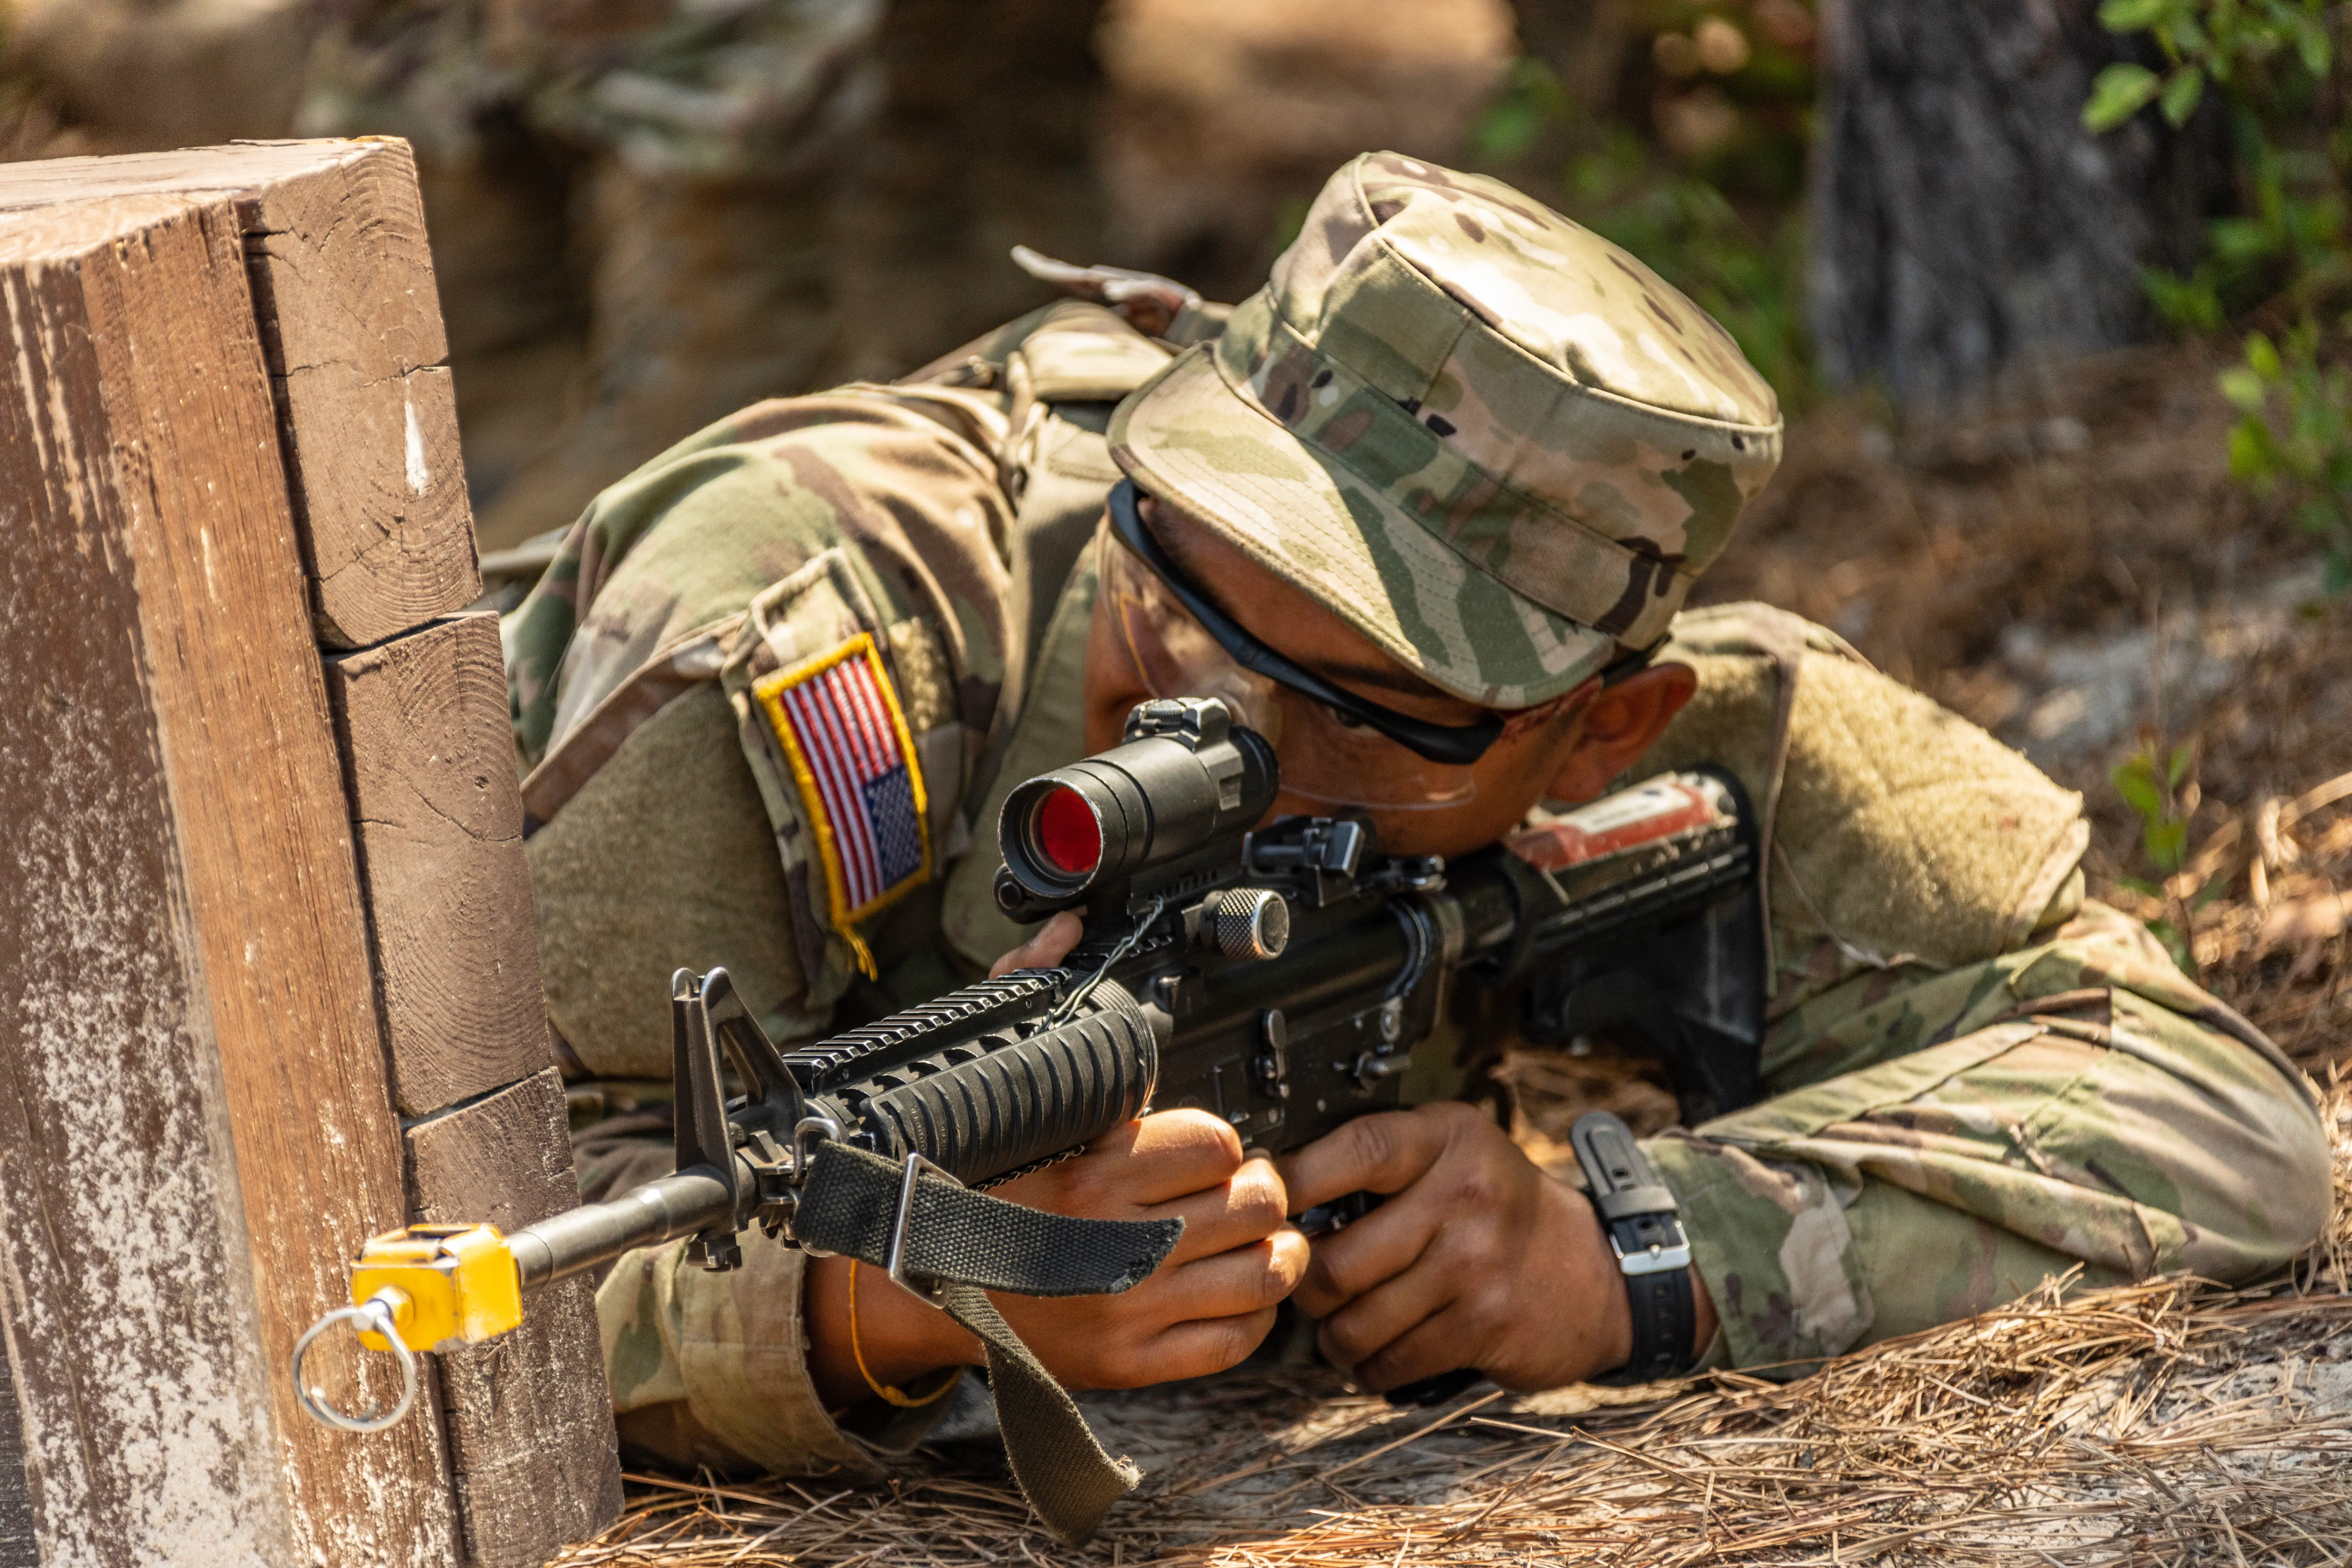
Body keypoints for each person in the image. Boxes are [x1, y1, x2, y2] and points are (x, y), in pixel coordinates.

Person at [504, 152, 2330, 1482]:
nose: (1223, 729)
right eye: (1188, 605)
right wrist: (884, 1307)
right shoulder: (799, 656)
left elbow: (2223, 1121)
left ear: (1601, 731)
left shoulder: (1707, 737)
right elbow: (435, 1261)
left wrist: (1626, 1253)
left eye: (1371, 712)